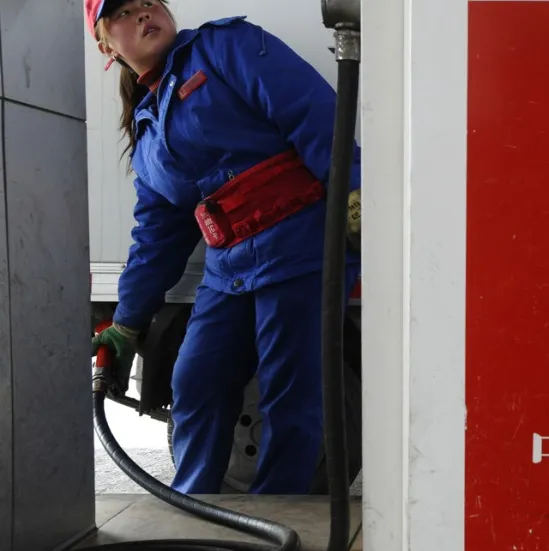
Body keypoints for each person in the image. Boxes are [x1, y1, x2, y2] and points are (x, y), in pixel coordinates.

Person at [85, 0, 362, 495]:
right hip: (228, 267)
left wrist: (355, 193)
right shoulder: (149, 131)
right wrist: (127, 322)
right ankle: (196, 509)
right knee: (195, 383)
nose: (144, 12)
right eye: (124, 11)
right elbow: (156, 238)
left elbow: (312, 113)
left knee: (290, 397)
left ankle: (278, 524)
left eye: (150, 1)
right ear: (106, 44)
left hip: (298, 242)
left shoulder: (224, 46)